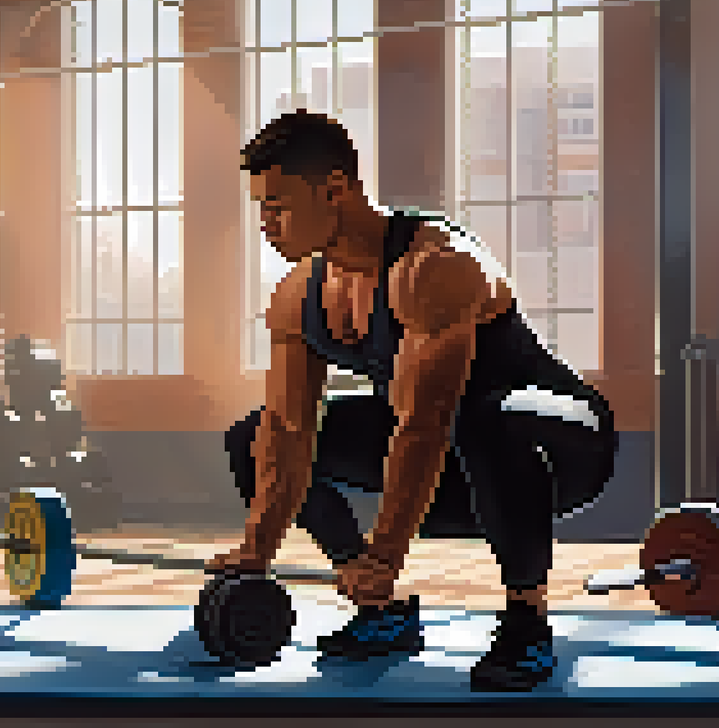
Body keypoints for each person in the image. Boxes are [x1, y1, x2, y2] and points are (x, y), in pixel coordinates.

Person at [206, 110, 617, 692]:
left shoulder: (435, 266)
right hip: (456, 471)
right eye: (261, 209)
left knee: (486, 415)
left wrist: (387, 554)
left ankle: (527, 622)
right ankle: (381, 610)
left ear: (335, 191)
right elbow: (290, 428)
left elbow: (423, 424)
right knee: (251, 437)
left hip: (561, 447)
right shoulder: (299, 296)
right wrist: (258, 549)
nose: (266, 225)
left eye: (278, 206)